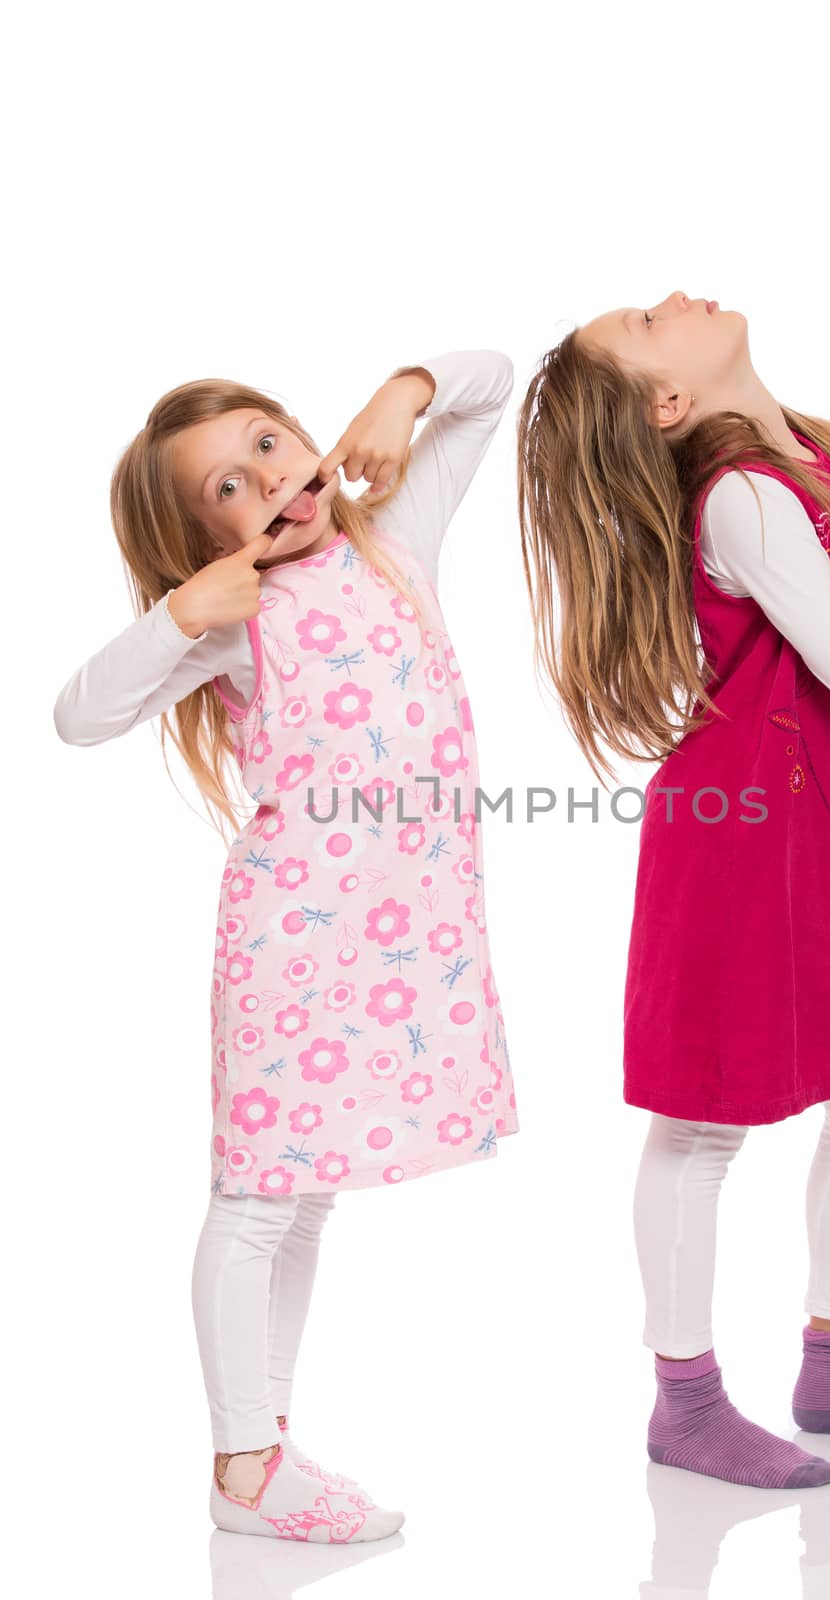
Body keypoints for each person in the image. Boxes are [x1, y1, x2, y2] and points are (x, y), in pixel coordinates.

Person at [515, 290, 830, 1490]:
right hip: (748, 831)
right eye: (645, 324)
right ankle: (684, 1402)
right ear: (668, 401)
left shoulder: (799, 461)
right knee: (703, 1117)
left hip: (817, 818)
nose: (670, 298)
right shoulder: (745, 497)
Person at [53, 348, 520, 1539]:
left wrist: (401, 392)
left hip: (408, 940)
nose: (263, 476)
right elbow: (80, 716)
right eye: (224, 484)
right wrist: (176, 617)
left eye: (267, 441)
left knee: (305, 1203)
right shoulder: (232, 619)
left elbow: (493, 383)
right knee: (257, 1202)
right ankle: (242, 1468)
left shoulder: (393, 541)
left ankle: (267, 1447)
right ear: (204, 538)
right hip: (293, 945)